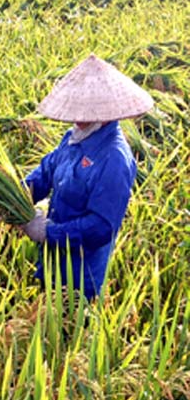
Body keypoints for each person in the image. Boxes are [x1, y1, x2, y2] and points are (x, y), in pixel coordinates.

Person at [20, 55, 154, 301]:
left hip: (81, 278)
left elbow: (101, 228)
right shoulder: (74, 138)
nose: (77, 118)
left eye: (85, 111)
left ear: (103, 111)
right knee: (42, 318)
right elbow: (47, 171)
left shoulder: (114, 159)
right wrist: (16, 195)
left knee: (69, 333)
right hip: (52, 263)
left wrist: (49, 233)